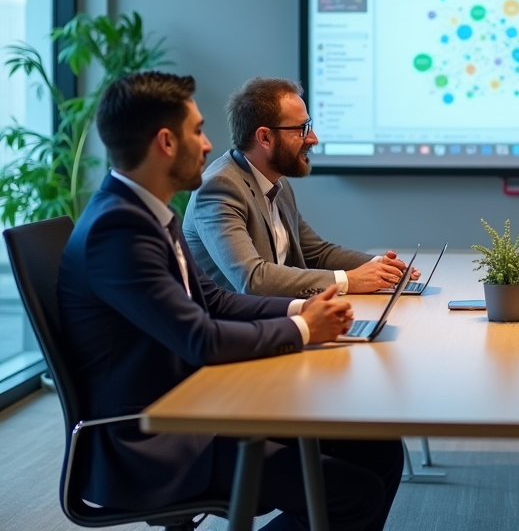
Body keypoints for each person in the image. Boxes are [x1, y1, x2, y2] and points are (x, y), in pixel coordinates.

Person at [58, 72, 404, 531]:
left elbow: (216, 300)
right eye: (197, 131)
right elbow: (200, 338)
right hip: (159, 439)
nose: (207, 145)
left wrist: (302, 309)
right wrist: (304, 330)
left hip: (197, 406)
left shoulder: (147, 214)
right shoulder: (118, 230)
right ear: (165, 142)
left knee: (379, 449)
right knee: (352, 494)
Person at [183, 77, 417, 298]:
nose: (313, 138)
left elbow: (316, 252)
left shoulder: (276, 181)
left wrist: (379, 267)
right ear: (265, 138)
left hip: (277, 317)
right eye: (302, 129)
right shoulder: (219, 187)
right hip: (235, 332)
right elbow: (253, 279)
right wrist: (348, 280)